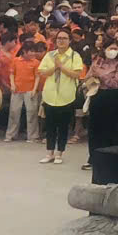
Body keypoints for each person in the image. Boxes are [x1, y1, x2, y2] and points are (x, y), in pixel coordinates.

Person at [37, 30, 85, 164]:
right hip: (50, 95)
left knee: (63, 127)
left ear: (70, 40)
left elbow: (76, 74)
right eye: (59, 38)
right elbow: (42, 72)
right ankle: (49, 153)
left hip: (66, 95)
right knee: (50, 126)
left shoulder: (74, 56)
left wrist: (61, 67)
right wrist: (55, 67)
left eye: (64, 38)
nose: (61, 41)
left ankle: (59, 153)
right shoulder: (50, 55)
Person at [83, 41, 118, 169]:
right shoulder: (98, 62)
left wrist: (101, 75)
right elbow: (87, 77)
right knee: (94, 129)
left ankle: (109, 159)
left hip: (112, 98)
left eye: (115, 48)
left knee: (109, 129)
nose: (112, 51)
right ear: (104, 49)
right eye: (110, 48)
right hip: (97, 95)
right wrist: (92, 75)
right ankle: (93, 158)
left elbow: (116, 83)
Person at [5, 38, 42, 142]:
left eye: (34, 51)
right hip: (17, 89)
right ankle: (11, 135)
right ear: (24, 51)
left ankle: (33, 136)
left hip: (30, 89)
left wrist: (34, 89)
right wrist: (12, 85)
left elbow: (37, 77)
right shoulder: (16, 60)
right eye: (31, 51)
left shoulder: (36, 62)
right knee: (14, 112)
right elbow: (12, 73)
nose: (33, 53)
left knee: (32, 112)